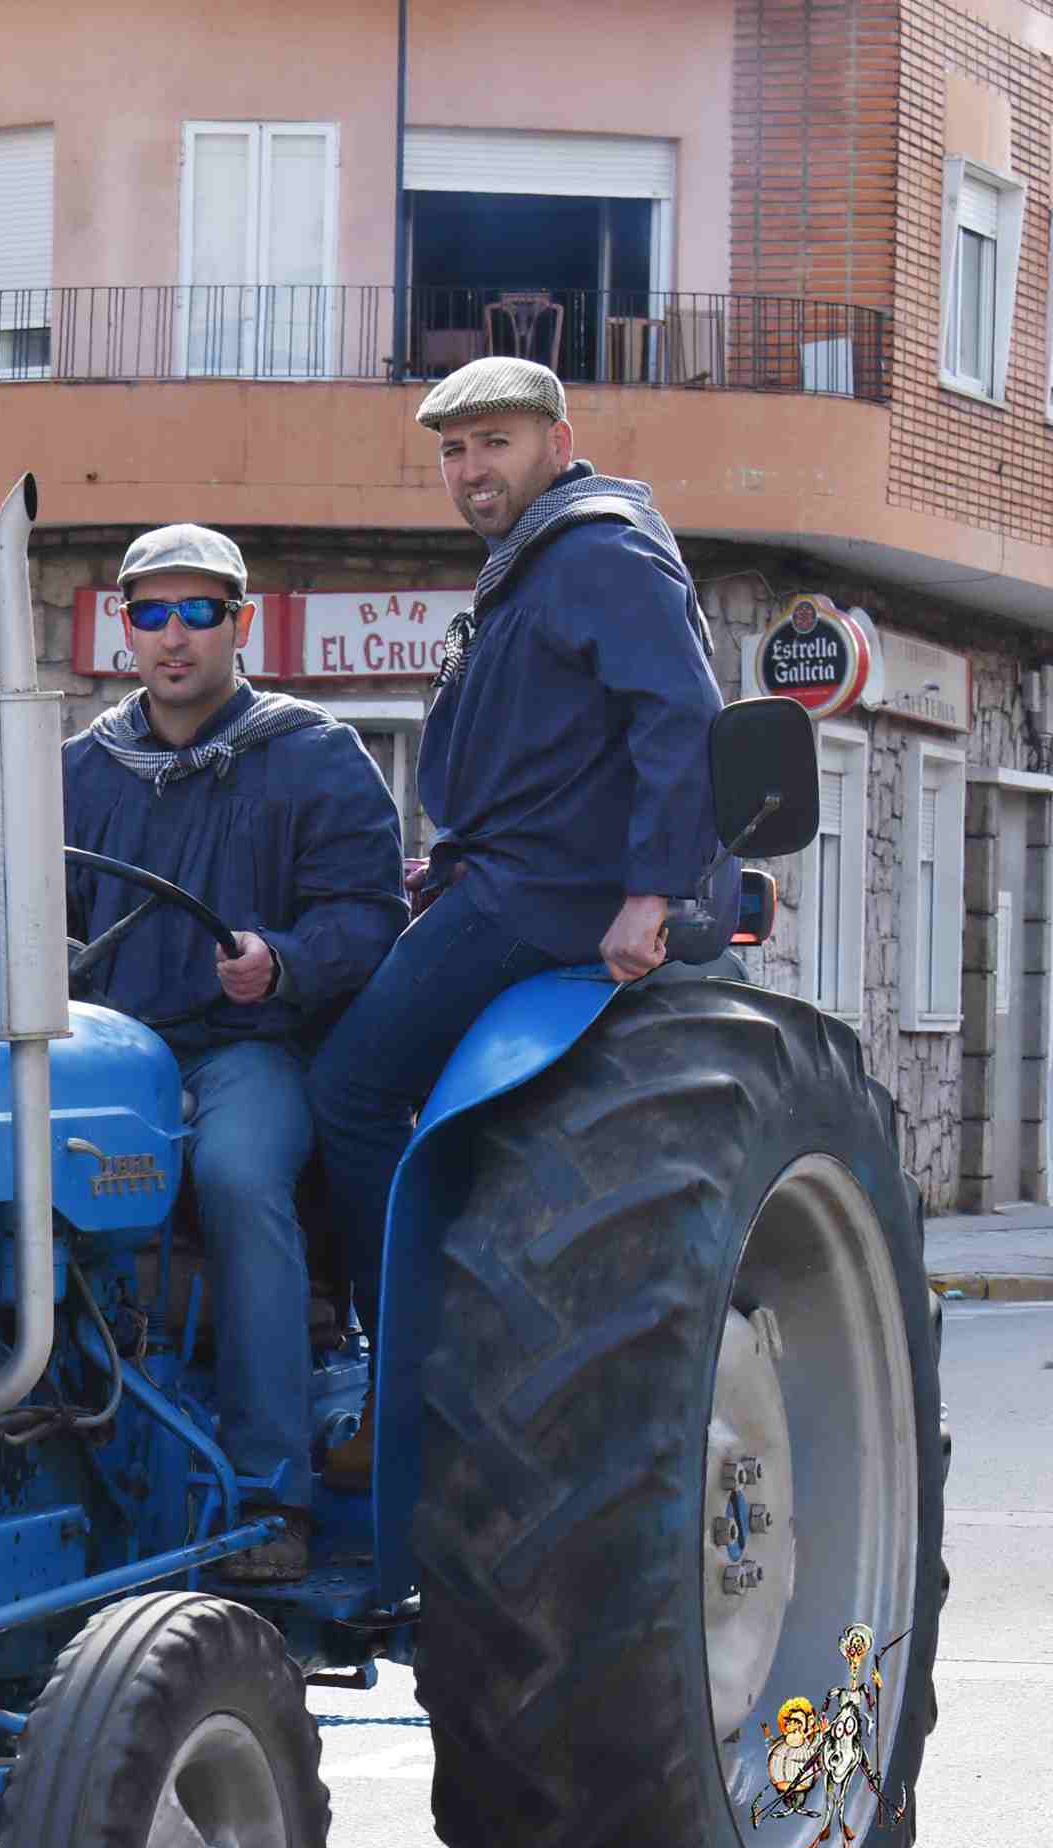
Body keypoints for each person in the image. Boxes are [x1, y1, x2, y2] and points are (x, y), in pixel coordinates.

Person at [304, 357, 730, 1485]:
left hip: (542, 893)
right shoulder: (535, 561)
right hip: (497, 871)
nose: (470, 469)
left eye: (493, 441)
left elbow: (678, 713)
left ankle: (403, 1371)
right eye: (452, 449)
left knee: (346, 1086)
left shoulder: (594, 548)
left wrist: (653, 887)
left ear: (555, 436)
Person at [63, 526, 406, 1580]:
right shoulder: (80, 767)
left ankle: (270, 1494)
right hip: (106, 1051)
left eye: (198, 612)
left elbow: (371, 915)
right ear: (124, 627)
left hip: (244, 1051)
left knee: (237, 1175)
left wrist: (284, 958)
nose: (174, 636)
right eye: (151, 613)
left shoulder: (311, 754)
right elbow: (25, 913)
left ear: (239, 623)